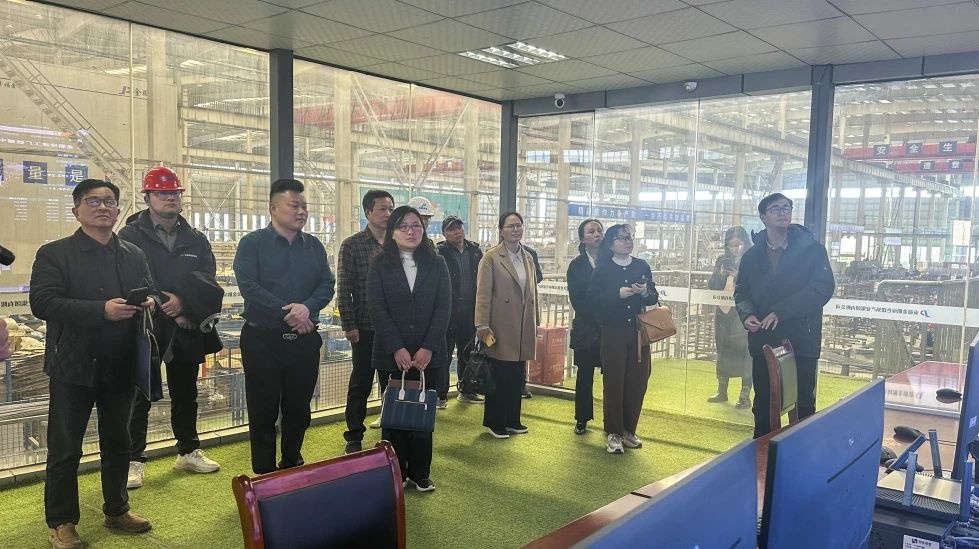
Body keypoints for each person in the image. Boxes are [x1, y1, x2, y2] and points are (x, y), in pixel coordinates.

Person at [30, 179, 157, 549]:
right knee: (65, 448)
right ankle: (62, 522)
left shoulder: (133, 253)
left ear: (118, 210)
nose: (103, 207)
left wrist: (148, 300)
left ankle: (117, 509)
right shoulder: (55, 253)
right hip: (73, 367)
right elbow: (43, 303)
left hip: (121, 364)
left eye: (109, 201)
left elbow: (149, 286)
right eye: (93, 201)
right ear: (76, 210)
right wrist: (101, 310)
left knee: (118, 442)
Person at [120, 166, 221, 489]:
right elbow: (130, 277)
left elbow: (206, 277)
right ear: (147, 197)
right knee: (140, 394)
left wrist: (184, 304)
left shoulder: (195, 239)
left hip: (185, 323)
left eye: (175, 193)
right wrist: (169, 302)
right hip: (145, 324)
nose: (170, 198)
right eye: (162, 193)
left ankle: (188, 450)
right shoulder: (130, 236)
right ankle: (133, 460)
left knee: (186, 391)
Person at [232, 178, 335, 474]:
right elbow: (249, 286)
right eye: (294, 206)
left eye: (304, 206)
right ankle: (264, 472)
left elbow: (326, 284)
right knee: (262, 408)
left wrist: (307, 308)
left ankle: (292, 462)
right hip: (262, 339)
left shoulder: (313, 246)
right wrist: (289, 312)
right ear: (273, 208)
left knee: (299, 407)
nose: (301, 212)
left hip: (303, 339)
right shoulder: (252, 244)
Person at [734, 193, 835, 439]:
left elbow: (822, 288)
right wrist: (747, 315)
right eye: (775, 208)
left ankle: (801, 452)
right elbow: (742, 291)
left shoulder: (812, 251)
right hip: (764, 339)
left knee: (802, 404)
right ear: (763, 217)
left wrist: (781, 311)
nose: (783, 212)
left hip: (801, 339)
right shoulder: (752, 256)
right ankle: (762, 454)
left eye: (786, 207)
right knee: (764, 404)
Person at [367, 206, 451, 492]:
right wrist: (397, 347)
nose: (410, 231)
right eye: (403, 226)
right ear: (392, 232)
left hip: (428, 354)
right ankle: (396, 473)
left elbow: (444, 307)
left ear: (423, 230)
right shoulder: (380, 265)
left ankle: (420, 473)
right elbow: (377, 308)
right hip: (393, 354)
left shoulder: (437, 263)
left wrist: (428, 347)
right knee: (394, 416)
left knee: (422, 413)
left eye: (416, 225)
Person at [588, 224, 658, 454]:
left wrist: (644, 292)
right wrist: (616, 294)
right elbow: (592, 299)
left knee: (638, 381)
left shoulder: (641, 265)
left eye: (629, 237)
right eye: (621, 238)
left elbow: (653, 296)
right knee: (614, 382)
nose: (627, 241)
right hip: (613, 332)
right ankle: (614, 432)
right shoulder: (603, 268)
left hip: (638, 333)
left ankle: (629, 429)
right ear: (611, 243)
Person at [339, 189, 395, 454]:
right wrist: (349, 324)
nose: (388, 214)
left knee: (391, 384)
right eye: (383, 209)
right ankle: (354, 435)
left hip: (393, 330)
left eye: (391, 209)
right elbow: (344, 287)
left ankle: (390, 436)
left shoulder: (398, 243)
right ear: (368, 212)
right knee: (361, 382)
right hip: (364, 327)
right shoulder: (353, 245)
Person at [475, 211, 539, 439]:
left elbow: (533, 292)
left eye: (519, 225)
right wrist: (481, 324)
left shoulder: (528, 257)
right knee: (499, 374)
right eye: (510, 226)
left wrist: (536, 321)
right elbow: (483, 294)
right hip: (500, 325)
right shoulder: (491, 258)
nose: (515, 230)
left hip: (523, 325)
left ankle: (513, 419)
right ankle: (496, 422)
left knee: (516, 375)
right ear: (501, 230)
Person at [436, 215, 483, 405]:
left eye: (459, 227)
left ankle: (467, 390)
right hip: (449, 309)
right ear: (444, 233)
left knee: (468, 351)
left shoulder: (475, 251)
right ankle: (440, 394)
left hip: (470, 308)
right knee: (444, 353)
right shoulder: (440, 253)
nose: (457, 232)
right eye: (451, 229)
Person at [706, 226, 752, 409]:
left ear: (745, 243)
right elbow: (712, 285)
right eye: (731, 245)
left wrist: (738, 275)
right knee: (723, 350)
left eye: (738, 244)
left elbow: (756, 285)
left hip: (743, 313)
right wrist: (721, 275)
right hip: (723, 311)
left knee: (745, 353)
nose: (734, 249)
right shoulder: (722, 260)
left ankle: (744, 395)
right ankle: (722, 390)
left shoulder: (752, 258)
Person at [567, 219, 604, 435]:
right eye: (591, 231)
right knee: (584, 376)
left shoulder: (611, 262)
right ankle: (582, 418)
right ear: (582, 238)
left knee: (613, 377)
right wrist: (601, 314)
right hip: (586, 329)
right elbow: (577, 300)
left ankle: (613, 422)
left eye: (599, 231)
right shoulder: (576, 266)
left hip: (610, 330)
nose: (597, 234)